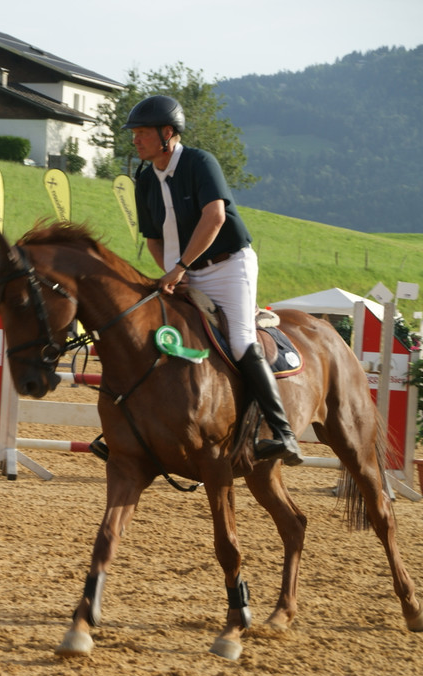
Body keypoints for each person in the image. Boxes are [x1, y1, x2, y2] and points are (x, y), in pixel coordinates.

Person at [124, 95, 301, 466]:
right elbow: (153, 238)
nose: (135, 140)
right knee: (155, 331)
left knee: (239, 341)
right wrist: (174, 273)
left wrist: (179, 267)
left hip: (228, 266)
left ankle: (282, 432)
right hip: (184, 272)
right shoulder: (145, 180)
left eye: (143, 133)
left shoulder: (199, 162)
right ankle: (132, 429)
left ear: (167, 133)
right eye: (134, 133)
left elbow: (215, 217)